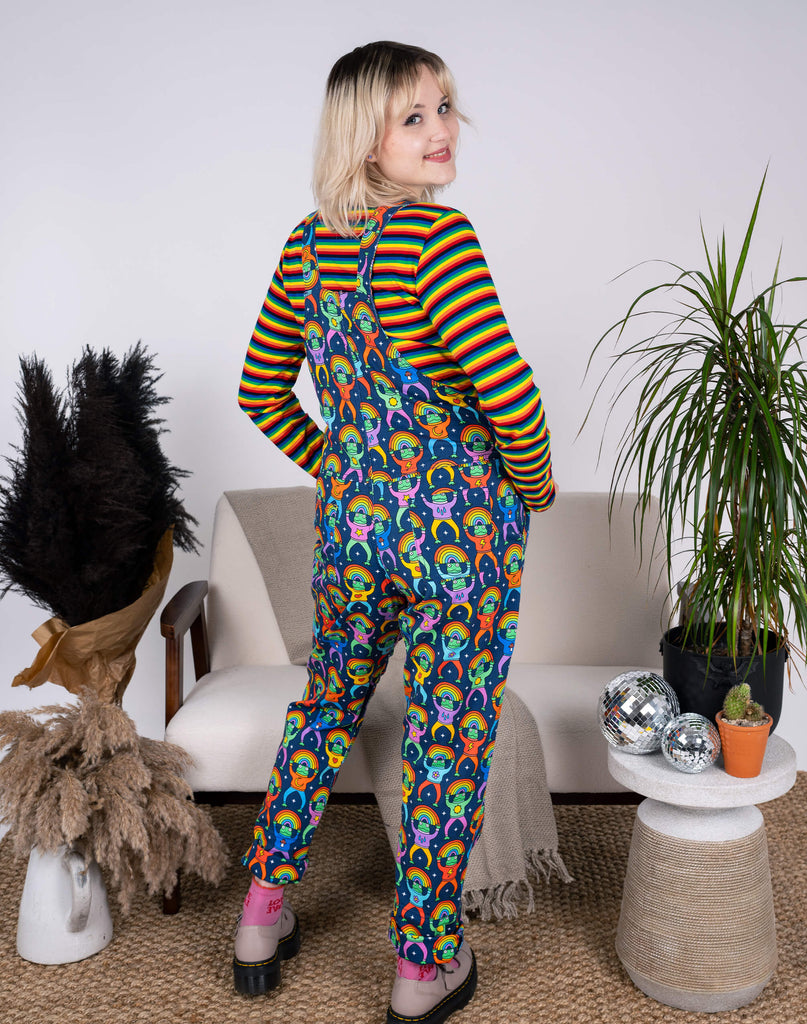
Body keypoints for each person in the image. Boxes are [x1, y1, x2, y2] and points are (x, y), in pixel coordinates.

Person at [234, 40, 556, 1024]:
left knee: (324, 710)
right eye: (412, 115)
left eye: (445, 107)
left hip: (353, 534)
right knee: (444, 740)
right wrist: (534, 490)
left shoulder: (308, 245)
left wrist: (344, 465)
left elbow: (260, 391)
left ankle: (260, 915)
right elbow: (513, 402)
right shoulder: (436, 240)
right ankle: (424, 968)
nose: (441, 129)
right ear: (363, 137)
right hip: (459, 538)